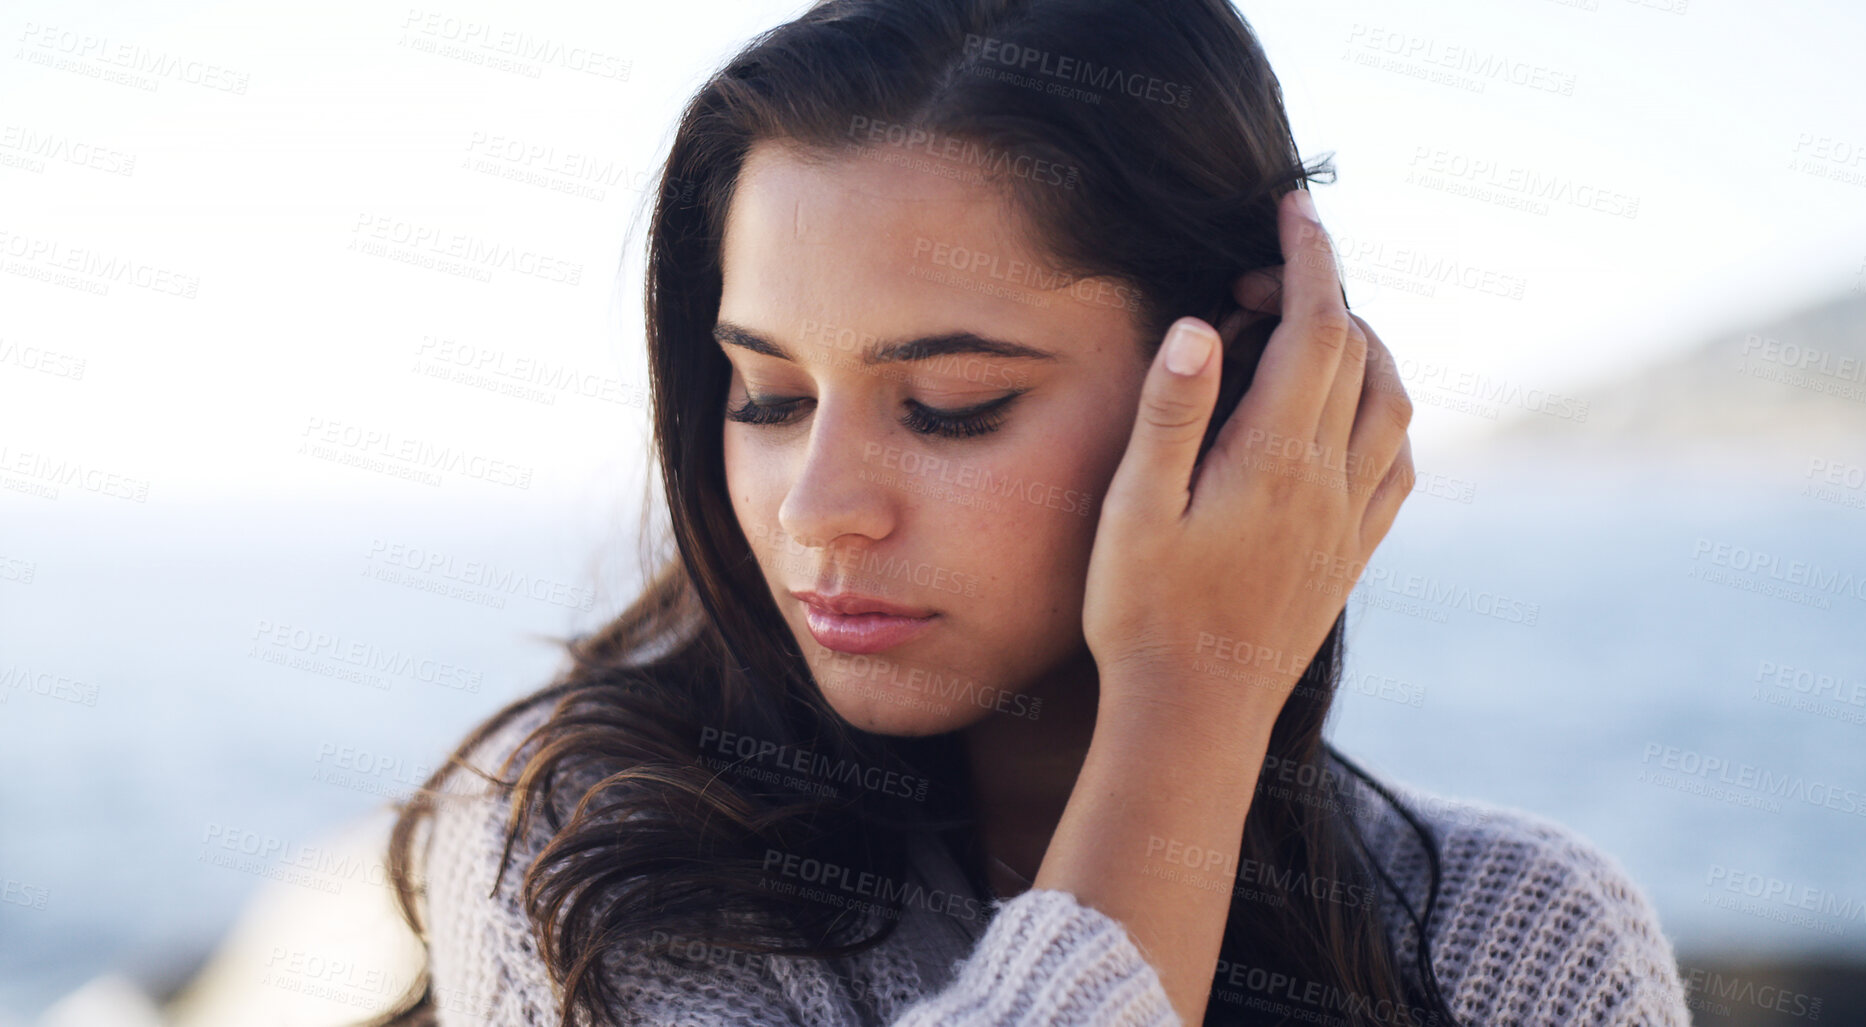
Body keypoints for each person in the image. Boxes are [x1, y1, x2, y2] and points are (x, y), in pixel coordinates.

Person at [363, 1, 1691, 1024]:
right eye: (767, 396)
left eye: (949, 405)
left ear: (1243, 389)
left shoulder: (1517, 944)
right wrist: (1188, 706)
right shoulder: (588, 858)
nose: (817, 513)